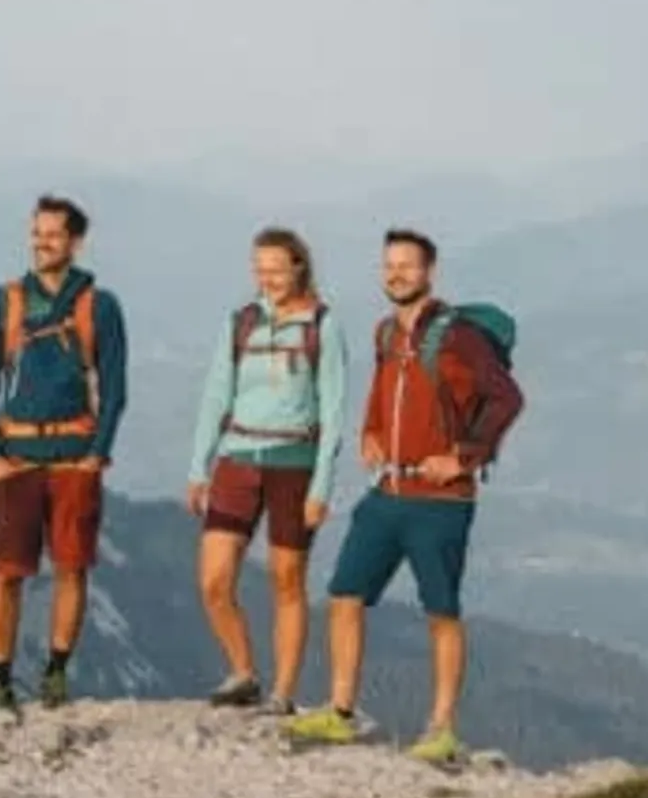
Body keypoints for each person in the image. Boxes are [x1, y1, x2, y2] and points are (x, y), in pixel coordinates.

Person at [291, 227, 520, 763]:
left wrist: (465, 456)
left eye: (407, 266)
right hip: (387, 490)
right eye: (389, 265)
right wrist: (370, 432)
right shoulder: (386, 334)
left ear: (429, 273)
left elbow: (506, 397)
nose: (396, 274)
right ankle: (341, 712)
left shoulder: (458, 337)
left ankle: (441, 728)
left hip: (441, 501)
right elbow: (380, 393)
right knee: (345, 595)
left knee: (441, 611)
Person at [184, 226, 348, 712]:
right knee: (214, 580)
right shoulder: (241, 323)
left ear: (299, 266)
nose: (267, 279)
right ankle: (243, 672)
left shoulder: (323, 325)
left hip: (293, 465)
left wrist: (321, 487)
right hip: (237, 460)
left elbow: (333, 411)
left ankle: (283, 693)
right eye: (260, 270)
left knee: (287, 581)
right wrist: (199, 467)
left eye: (276, 269)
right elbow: (216, 394)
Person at [0, 194, 126, 709]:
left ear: (75, 242)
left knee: (71, 566)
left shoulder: (99, 306)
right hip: (17, 455)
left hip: (73, 454)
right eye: (37, 232)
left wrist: (96, 453)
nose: (42, 242)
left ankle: (55, 671)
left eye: (53, 234)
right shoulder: (4, 302)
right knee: (7, 570)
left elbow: (115, 384)